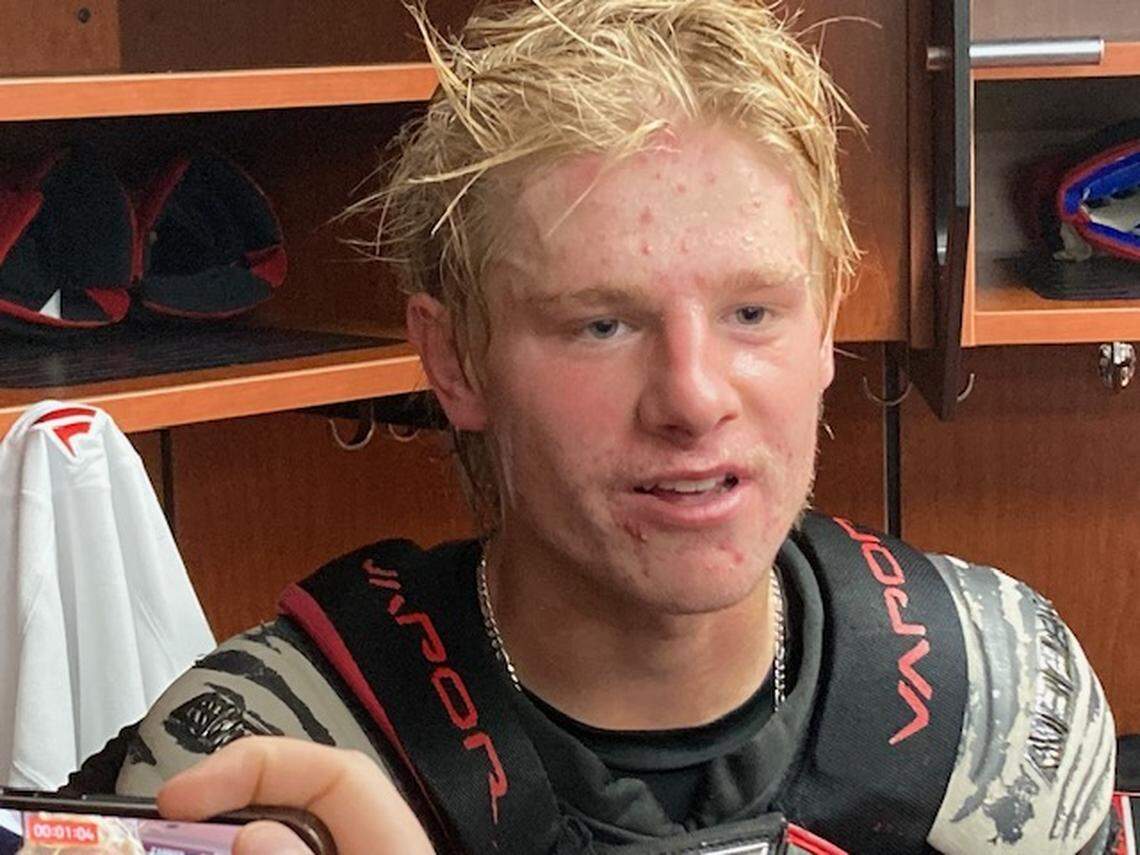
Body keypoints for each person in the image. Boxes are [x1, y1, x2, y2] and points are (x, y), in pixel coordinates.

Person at [76, 1, 1119, 852]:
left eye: (752, 313)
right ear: (455, 359)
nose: (694, 397)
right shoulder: (265, 765)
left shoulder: (1002, 711)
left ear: (825, 331)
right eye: (601, 324)